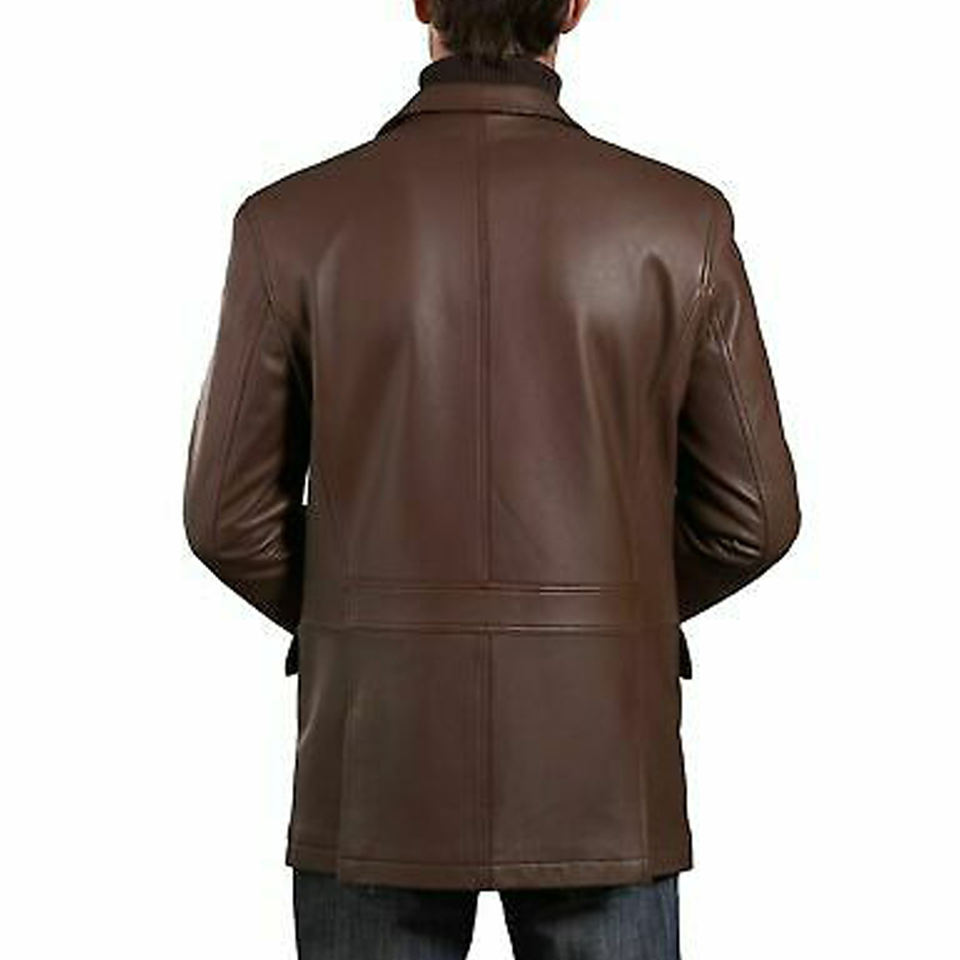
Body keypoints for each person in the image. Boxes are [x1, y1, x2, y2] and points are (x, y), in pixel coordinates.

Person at [182, 1, 801, 956]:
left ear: (422, 4)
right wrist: (609, 620)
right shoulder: (683, 223)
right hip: (600, 764)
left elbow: (229, 520)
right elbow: (753, 519)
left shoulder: (288, 223)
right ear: (574, 7)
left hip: (377, 758)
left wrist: (365, 616)